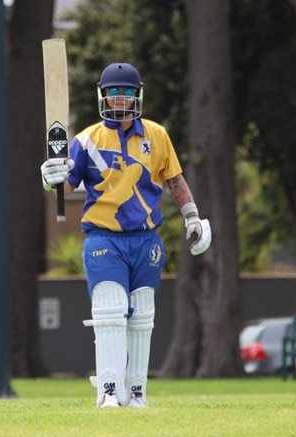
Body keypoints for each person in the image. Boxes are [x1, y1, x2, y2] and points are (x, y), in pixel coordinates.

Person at [40, 63, 211, 409]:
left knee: (142, 315)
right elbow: (67, 184)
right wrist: (50, 177)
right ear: (103, 97)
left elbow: (174, 180)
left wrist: (192, 216)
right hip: (104, 237)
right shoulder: (86, 140)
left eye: (127, 93)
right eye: (114, 93)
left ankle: (136, 393)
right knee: (109, 310)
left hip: (146, 238)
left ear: (138, 95)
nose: (120, 100)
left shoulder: (157, 135)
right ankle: (108, 390)